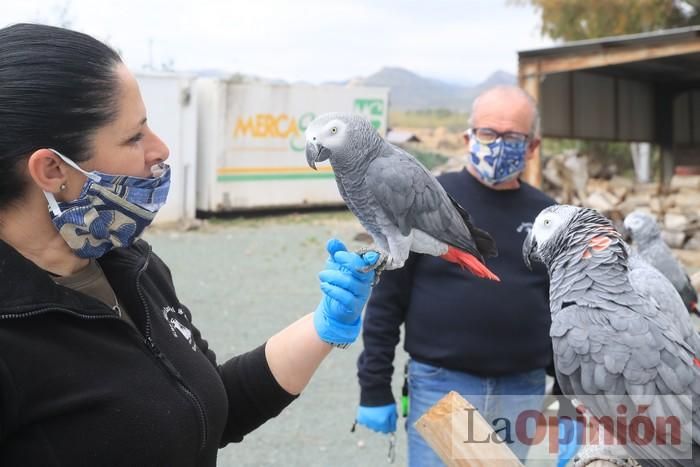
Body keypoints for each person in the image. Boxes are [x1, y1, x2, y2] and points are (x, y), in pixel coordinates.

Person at [0, 23, 378, 467]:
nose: (160, 148)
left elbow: (206, 409)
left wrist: (321, 326)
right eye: (134, 135)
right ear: (50, 170)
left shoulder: (130, 265)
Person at [356, 85, 556, 465]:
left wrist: (566, 394)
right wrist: (374, 386)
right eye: (487, 133)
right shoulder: (424, 197)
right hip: (442, 385)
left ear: (532, 147)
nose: (498, 145)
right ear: (468, 137)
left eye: (513, 137)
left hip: (522, 388)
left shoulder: (551, 217)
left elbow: (567, 310)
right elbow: (387, 300)